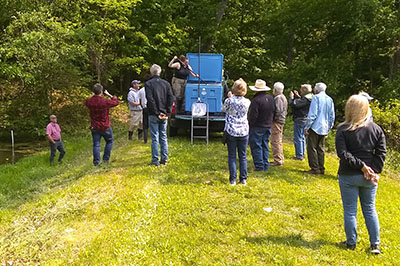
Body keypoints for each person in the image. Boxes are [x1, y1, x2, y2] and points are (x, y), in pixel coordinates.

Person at [335, 95, 386, 254]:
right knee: (370, 209)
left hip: (349, 174)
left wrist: (365, 168)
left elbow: (343, 154)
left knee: (350, 210)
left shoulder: (343, 129)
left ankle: (351, 243)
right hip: (368, 177)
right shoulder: (376, 129)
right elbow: (381, 152)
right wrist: (373, 170)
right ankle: (375, 244)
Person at [145, 64, 175, 166]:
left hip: (153, 114)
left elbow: (150, 99)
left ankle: (155, 160)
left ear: (151, 72)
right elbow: (171, 98)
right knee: (163, 136)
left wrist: (157, 112)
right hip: (164, 113)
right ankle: (164, 159)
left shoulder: (148, 84)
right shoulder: (166, 84)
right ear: (160, 72)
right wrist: (167, 112)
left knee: (155, 137)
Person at [223, 78, 251, 185]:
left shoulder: (228, 101)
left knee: (232, 156)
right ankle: (243, 179)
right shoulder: (247, 102)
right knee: (243, 156)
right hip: (243, 130)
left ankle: (232, 179)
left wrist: (230, 97)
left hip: (231, 130)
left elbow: (225, 109)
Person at [85, 83, 120, 166]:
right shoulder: (105, 101)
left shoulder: (89, 101)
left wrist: (92, 96)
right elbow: (116, 102)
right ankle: (105, 160)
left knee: (96, 144)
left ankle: (96, 162)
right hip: (105, 125)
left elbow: (86, 103)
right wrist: (109, 94)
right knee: (109, 141)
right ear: (101, 91)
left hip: (95, 126)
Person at [304, 82, 335, 174]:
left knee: (312, 147)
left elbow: (313, 114)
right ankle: (321, 167)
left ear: (316, 90)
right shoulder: (329, 99)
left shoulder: (316, 98)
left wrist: (307, 126)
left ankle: (315, 168)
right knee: (320, 148)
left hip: (315, 126)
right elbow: (331, 115)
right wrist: (329, 127)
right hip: (325, 126)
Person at [248, 79, 275, 171]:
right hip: (268, 124)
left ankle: (259, 166)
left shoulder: (256, 100)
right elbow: (274, 111)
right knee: (265, 145)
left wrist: (250, 124)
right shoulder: (271, 98)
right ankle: (265, 164)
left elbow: (253, 115)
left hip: (257, 125)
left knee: (256, 146)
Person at [289, 84, 313, 160]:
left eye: (301, 89)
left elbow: (294, 104)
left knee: (298, 137)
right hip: (306, 118)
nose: (300, 90)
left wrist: (291, 98)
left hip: (300, 118)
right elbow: (303, 102)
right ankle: (302, 154)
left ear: (304, 90)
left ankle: (299, 155)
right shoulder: (310, 97)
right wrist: (298, 96)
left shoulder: (305, 99)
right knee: (302, 137)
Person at [270, 82, 288, 166]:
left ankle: (278, 160)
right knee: (278, 140)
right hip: (280, 120)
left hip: (277, 121)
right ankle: (279, 158)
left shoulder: (278, 98)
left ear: (275, 90)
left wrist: (272, 118)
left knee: (275, 141)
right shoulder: (283, 97)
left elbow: (278, 110)